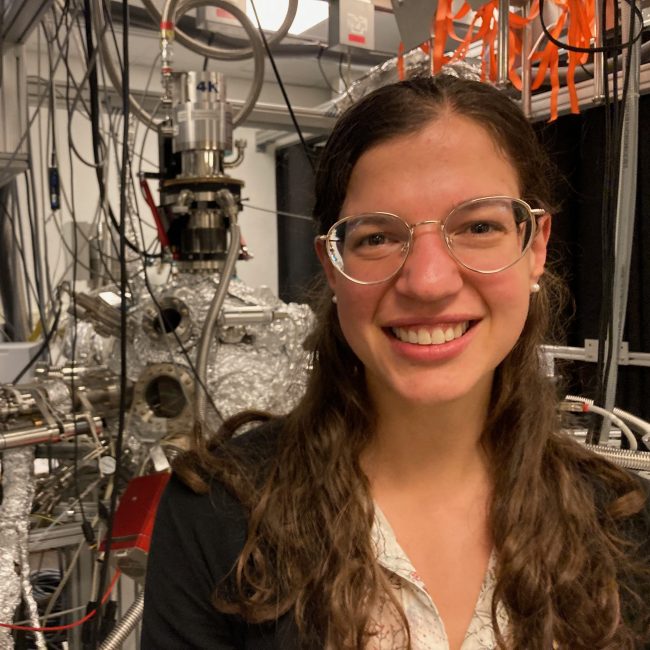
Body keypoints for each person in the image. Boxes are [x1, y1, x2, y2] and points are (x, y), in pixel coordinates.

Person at [141, 74, 650, 650]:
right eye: (378, 238)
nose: (429, 282)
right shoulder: (215, 515)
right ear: (333, 269)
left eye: (479, 226)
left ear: (534, 248)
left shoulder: (623, 522)